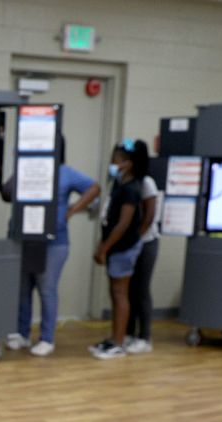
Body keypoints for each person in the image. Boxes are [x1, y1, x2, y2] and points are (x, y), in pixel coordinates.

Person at [5, 136, 100, 357]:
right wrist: (20, 164)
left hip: (54, 242)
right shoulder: (27, 169)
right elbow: (6, 193)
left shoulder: (65, 172)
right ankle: (22, 333)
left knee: (46, 288)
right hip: (25, 238)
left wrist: (72, 210)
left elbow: (94, 187)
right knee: (23, 288)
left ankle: (47, 338)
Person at [89, 140, 149, 360]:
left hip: (123, 247)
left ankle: (119, 342)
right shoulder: (119, 184)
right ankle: (114, 338)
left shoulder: (132, 189)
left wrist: (105, 247)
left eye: (116, 159)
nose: (112, 163)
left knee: (120, 293)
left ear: (128, 164)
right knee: (114, 294)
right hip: (114, 247)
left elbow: (123, 224)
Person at [125, 167, 161, 354]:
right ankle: (128, 333)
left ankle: (144, 337)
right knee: (129, 289)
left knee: (141, 289)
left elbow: (149, 215)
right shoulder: (122, 181)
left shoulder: (147, 182)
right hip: (129, 243)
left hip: (146, 242)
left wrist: (135, 238)